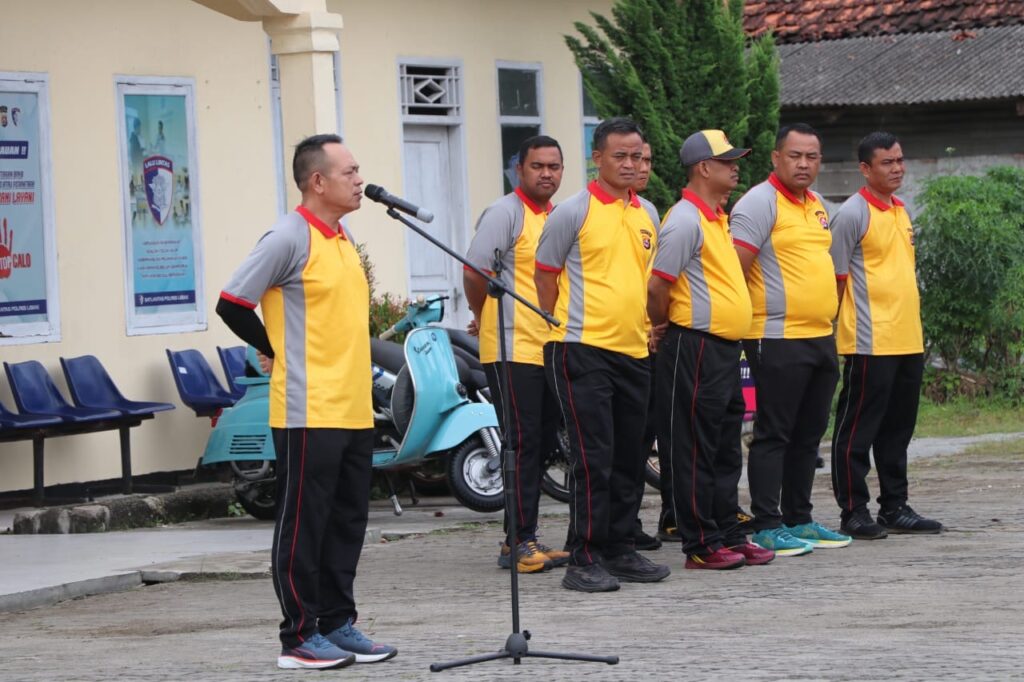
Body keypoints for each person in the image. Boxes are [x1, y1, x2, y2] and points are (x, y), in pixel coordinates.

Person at [216, 134, 397, 670]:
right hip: (305, 408)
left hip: (352, 406)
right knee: (304, 522)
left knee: (347, 520)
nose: (360, 180)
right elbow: (232, 302)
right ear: (317, 181)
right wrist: (273, 348)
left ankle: (338, 623)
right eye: (350, 171)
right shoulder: (288, 237)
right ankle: (298, 637)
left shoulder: (341, 239)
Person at [535, 117, 670, 592]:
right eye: (621, 156)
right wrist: (557, 327)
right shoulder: (573, 211)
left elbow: (648, 280)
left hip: (634, 350)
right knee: (595, 456)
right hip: (580, 348)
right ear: (598, 158)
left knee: (632, 454)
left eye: (638, 156)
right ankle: (584, 556)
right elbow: (545, 274)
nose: (631, 165)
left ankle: (620, 547)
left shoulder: (647, 213)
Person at [648, 130, 775, 570]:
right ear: (703, 167)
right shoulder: (684, 219)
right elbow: (658, 285)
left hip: (723, 348)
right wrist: (663, 325)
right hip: (694, 346)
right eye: (726, 160)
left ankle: (727, 530)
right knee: (694, 446)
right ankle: (700, 542)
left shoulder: (717, 217)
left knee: (724, 445)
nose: (735, 166)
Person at [730, 123, 851, 556]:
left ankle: (800, 517)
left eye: (812, 157)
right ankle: (766, 523)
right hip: (775, 336)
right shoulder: (758, 203)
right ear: (775, 158)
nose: (804, 164)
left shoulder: (817, 205)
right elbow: (735, 270)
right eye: (795, 155)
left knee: (809, 434)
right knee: (774, 433)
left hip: (819, 335)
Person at [463, 135, 570, 573]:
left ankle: (524, 536)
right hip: (511, 348)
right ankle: (518, 542)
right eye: (537, 166)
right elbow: (475, 270)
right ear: (519, 170)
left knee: (543, 444)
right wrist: (482, 313)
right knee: (522, 445)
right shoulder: (506, 213)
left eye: (554, 166)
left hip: (550, 346)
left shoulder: (557, 216)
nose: (547, 174)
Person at [829, 132, 943, 539]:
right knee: (857, 430)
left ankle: (895, 506)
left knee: (898, 431)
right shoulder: (852, 214)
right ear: (865, 169)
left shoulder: (900, 210)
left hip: (907, 339)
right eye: (886, 163)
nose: (897, 169)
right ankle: (854, 511)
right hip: (868, 341)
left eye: (899, 160)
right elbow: (837, 279)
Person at [629, 141, 668, 552]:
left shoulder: (649, 212)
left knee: (645, 437)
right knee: (619, 442)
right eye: (633, 158)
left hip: (649, 340)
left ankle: (633, 520)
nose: (641, 167)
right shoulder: (582, 211)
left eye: (647, 161)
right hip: (610, 343)